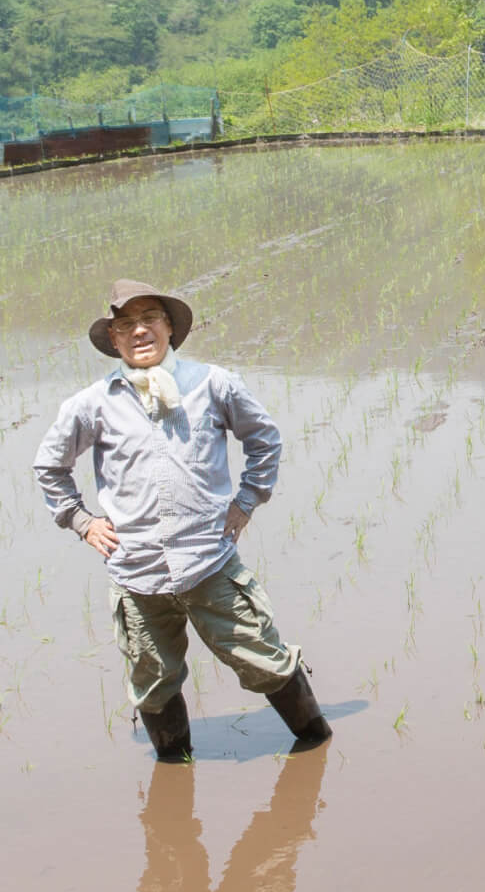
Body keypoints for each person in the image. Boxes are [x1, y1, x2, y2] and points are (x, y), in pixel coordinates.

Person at [33, 279, 330, 762]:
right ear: (114, 340)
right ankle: (175, 768)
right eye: (126, 324)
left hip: (209, 562)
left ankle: (317, 746)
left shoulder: (213, 383)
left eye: (150, 318)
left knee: (267, 662)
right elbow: (50, 466)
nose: (140, 331)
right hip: (137, 575)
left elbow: (264, 440)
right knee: (153, 683)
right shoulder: (93, 403)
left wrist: (247, 500)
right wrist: (81, 521)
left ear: (170, 327)